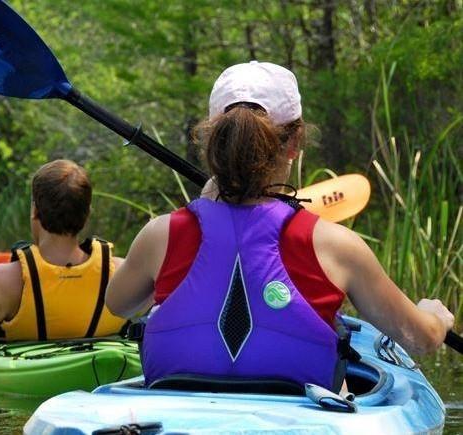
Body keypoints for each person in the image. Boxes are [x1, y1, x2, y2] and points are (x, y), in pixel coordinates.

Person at [105, 61, 454, 393]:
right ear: (295, 142)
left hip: (176, 407)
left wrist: (205, 209)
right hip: (302, 408)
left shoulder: (160, 235)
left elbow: (119, 304)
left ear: (212, 142)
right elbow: (419, 338)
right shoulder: (337, 246)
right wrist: (434, 316)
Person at [0, 159, 127, 373]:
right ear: (87, 215)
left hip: (25, 385)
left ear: (34, 211)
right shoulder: (122, 273)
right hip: (103, 382)